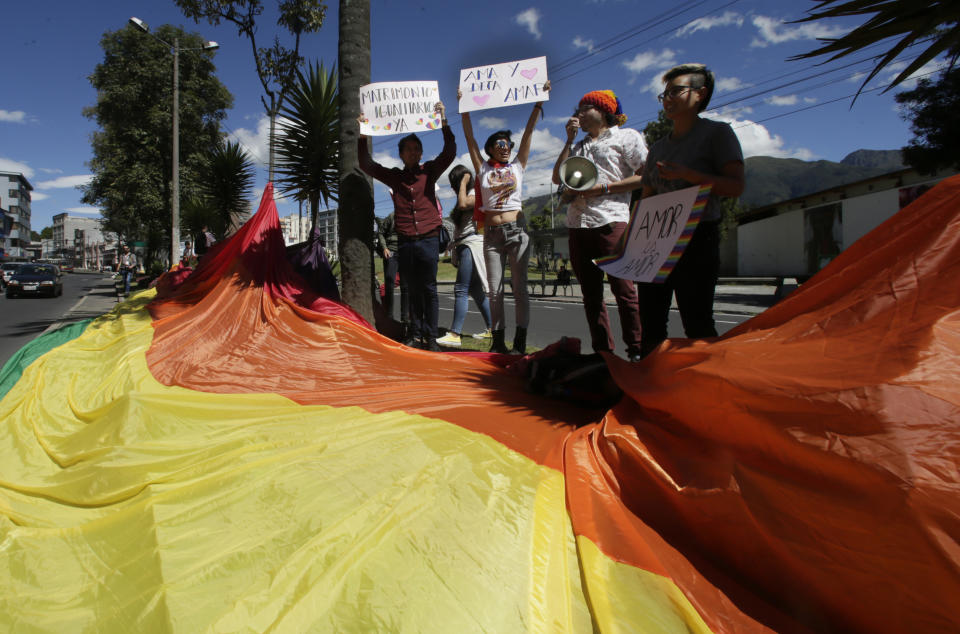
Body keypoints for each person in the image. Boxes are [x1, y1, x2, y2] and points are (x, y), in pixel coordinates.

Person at [637, 64, 744, 358]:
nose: (668, 98)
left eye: (676, 91)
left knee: (697, 321)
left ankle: (707, 386)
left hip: (697, 238)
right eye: (664, 94)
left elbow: (735, 186)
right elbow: (646, 197)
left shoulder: (717, 134)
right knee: (651, 323)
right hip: (654, 243)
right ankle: (649, 388)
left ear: (701, 94)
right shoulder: (657, 148)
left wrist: (690, 174)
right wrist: (631, 242)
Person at [551, 89, 647, 361]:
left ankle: (637, 351)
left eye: (586, 108)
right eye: (577, 109)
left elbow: (645, 175)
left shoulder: (627, 137)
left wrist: (603, 188)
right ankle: (603, 353)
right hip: (578, 223)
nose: (579, 113)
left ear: (604, 111)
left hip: (610, 220)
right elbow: (559, 179)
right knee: (591, 295)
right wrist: (568, 141)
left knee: (624, 291)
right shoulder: (579, 146)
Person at [459, 82, 550, 354]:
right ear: (491, 148)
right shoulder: (483, 168)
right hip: (492, 236)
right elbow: (470, 139)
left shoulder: (517, 166)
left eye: (508, 144)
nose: (506, 147)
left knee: (520, 289)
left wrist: (538, 105)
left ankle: (520, 341)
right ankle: (498, 342)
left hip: (517, 231)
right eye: (500, 144)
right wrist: (464, 109)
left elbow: (529, 133)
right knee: (494, 291)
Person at [358, 101, 454, 351]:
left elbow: (449, 152)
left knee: (429, 289)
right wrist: (363, 132)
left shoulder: (429, 172)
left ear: (421, 152)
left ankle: (431, 338)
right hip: (407, 241)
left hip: (429, 239)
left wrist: (443, 121)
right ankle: (414, 333)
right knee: (410, 288)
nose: (413, 152)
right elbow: (366, 164)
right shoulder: (394, 176)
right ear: (401, 154)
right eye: (408, 149)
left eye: (417, 149)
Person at [437, 166, 493, 347]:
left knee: (461, 289)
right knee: (476, 290)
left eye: (455, 183)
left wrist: (463, 181)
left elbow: (462, 204)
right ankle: (492, 329)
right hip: (464, 244)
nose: (454, 188)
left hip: (472, 245)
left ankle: (455, 334)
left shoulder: (476, 192)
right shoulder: (468, 192)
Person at [376, 212, 409, 330]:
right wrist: (384, 247)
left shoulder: (410, 215)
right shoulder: (392, 216)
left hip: (406, 252)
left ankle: (405, 319)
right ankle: (389, 317)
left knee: (406, 287)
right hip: (392, 252)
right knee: (389, 286)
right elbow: (380, 232)